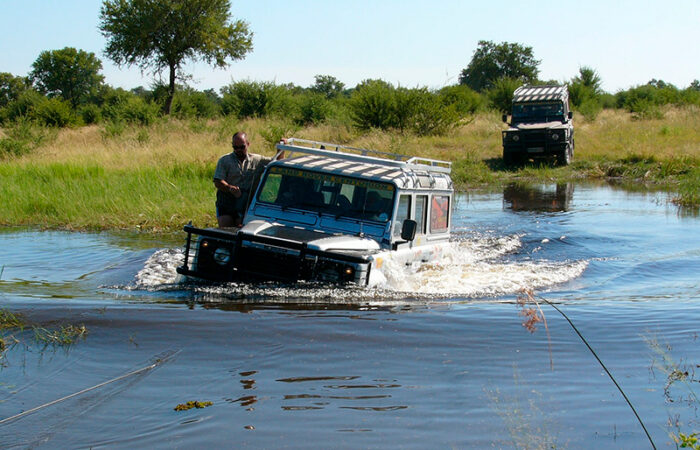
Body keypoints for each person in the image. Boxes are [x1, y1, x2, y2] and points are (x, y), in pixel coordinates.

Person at [213, 132, 283, 228]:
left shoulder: (257, 160)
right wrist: (230, 188)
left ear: (248, 144)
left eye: (242, 147)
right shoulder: (225, 160)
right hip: (227, 202)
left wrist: (281, 148)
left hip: (245, 204)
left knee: (242, 229)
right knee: (226, 229)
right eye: (235, 147)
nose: (238, 150)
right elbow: (218, 181)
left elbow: (278, 163)